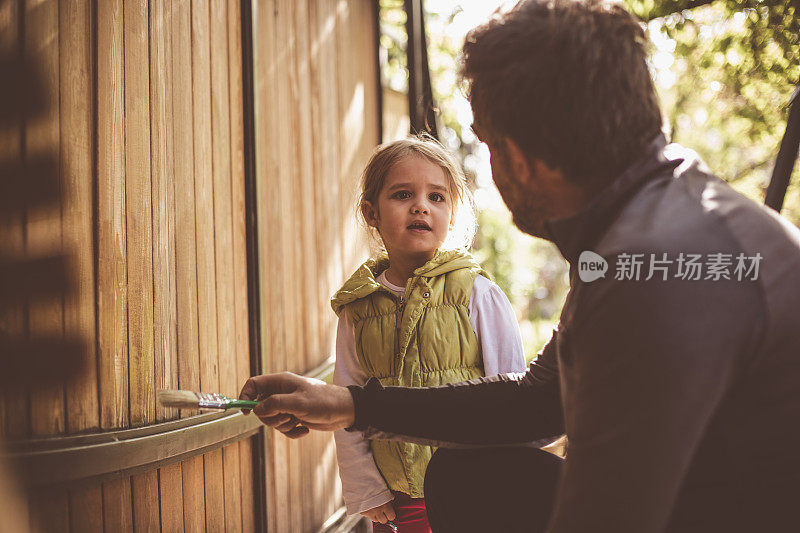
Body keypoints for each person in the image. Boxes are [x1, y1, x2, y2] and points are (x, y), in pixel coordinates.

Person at [239, 1, 800, 531]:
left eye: (489, 145)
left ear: (527, 156)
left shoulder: (655, 269)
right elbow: (537, 402)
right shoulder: (646, 229)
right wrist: (352, 404)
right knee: (475, 477)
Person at [331, 136, 526, 532]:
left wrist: (508, 482)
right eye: (403, 194)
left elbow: (514, 396)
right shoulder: (357, 308)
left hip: (474, 492)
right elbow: (345, 403)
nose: (421, 205)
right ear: (371, 213)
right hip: (396, 500)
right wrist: (366, 488)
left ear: (451, 215)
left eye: (437, 197)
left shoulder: (477, 293)